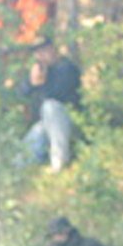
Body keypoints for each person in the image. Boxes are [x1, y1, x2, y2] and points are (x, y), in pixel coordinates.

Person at [17, 37, 81, 172]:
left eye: (44, 50)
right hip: (47, 126)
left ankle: (59, 163)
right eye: (38, 52)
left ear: (52, 49)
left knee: (50, 107)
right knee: (21, 158)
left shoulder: (67, 68)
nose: (41, 55)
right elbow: (21, 93)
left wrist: (40, 84)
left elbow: (57, 95)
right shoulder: (39, 71)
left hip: (71, 121)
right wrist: (31, 83)